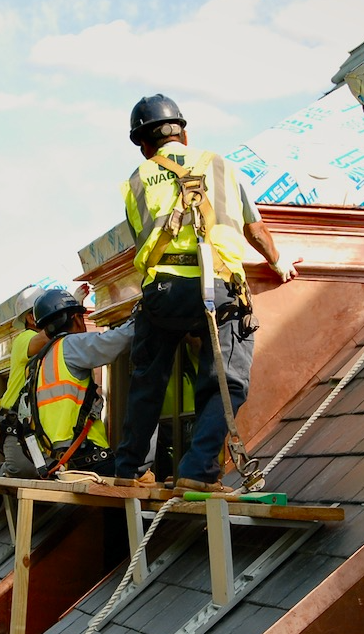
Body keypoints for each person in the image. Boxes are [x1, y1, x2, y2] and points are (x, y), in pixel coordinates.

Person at [115, 94, 301, 492]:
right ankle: (197, 472)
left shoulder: (136, 180)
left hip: (163, 290)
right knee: (226, 382)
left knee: (148, 380)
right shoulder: (223, 167)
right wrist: (278, 262)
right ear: (184, 133)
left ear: (144, 144)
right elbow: (255, 229)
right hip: (220, 289)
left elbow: (141, 244)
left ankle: (129, 471)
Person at [2, 288, 132, 477]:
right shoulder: (26, 340)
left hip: (43, 437)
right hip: (22, 428)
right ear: (31, 318)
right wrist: (68, 312)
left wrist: (66, 311)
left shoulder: (45, 355)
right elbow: (54, 332)